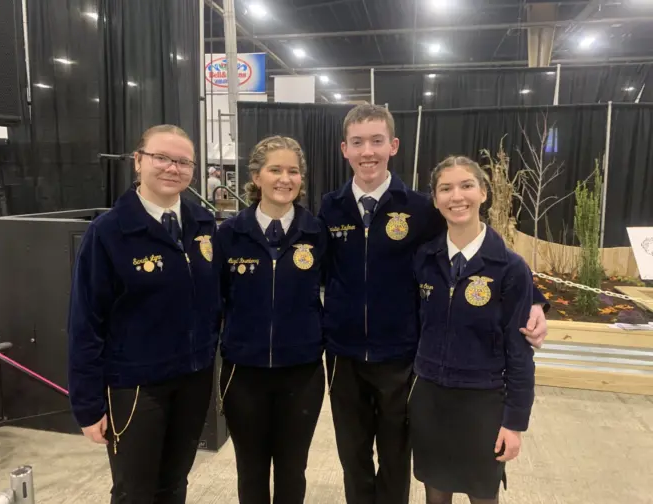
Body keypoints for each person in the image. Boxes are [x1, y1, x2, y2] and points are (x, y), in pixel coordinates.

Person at [318, 103, 548, 504]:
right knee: (352, 456)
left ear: (394, 145)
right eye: (358, 142)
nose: (367, 151)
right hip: (343, 354)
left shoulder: (420, 207)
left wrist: (537, 301)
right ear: (344, 149)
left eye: (376, 141)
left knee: (396, 454)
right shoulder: (329, 207)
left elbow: (476, 251)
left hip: (400, 354)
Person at [68, 124, 219, 504]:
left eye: (184, 162)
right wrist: (87, 404)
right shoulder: (109, 233)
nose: (173, 168)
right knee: (134, 491)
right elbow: (85, 322)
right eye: (162, 158)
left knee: (175, 483)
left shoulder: (203, 224)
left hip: (193, 378)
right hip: (135, 385)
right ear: (138, 161)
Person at [409, 155, 536, 504]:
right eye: (445, 189)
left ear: (484, 192)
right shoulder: (424, 259)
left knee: (483, 494)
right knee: (435, 494)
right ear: (435, 200)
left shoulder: (510, 269)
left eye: (466, 185)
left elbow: (521, 353)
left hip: (483, 403)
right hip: (430, 400)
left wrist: (515, 423)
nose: (457, 196)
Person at [214, 136, 327, 504]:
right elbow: (214, 300)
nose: (285, 178)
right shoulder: (229, 235)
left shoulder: (317, 233)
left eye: (293, 171)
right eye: (275, 169)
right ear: (256, 176)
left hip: (303, 372)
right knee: (251, 468)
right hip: (243, 374)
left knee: (293, 469)